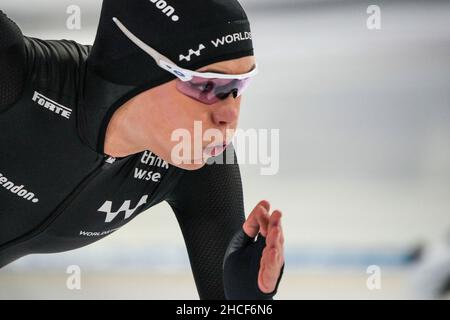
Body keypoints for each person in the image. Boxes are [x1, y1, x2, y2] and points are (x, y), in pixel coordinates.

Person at [0, 0, 284, 300]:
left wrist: (245, 299)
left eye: (239, 87)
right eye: (206, 86)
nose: (229, 115)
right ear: (141, 72)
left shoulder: (200, 166)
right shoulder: (16, 77)